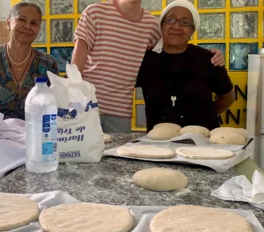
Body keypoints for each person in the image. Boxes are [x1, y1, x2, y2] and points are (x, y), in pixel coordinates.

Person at [71, 0, 225, 133]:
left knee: (113, 164)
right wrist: (73, 103)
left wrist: (212, 55)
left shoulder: (151, 26)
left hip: (119, 113)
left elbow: (174, 46)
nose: (175, 25)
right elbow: (75, 68)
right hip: (85, 107)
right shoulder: (94, 13)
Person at [136, 0, 235, 131]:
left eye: (184, 22)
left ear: (192, 30)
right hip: (158, 143)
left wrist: (208, 116)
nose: (176, 27)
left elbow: (228, 96)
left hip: (202, 142)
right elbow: (121, 87)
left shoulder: (208, 59)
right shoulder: (146, 60)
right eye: (170, 20)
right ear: (161, 25)